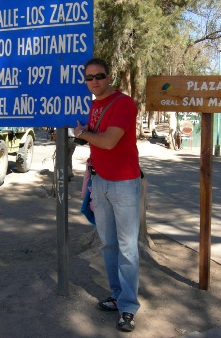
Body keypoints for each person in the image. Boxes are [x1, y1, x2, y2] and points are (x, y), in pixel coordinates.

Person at [73, 58, 141, 332]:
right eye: (89, 78)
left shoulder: (123, 103)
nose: (95, 81)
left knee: (127, 248)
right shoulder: (91, 106)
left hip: (124, 183)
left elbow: (110, 141)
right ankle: (117, 296)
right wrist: (85, 133)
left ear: (109, 76)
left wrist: (83, 133)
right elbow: (94, 139)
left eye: (99, 76)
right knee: (109, 245)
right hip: (99, 183)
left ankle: (128, 307)